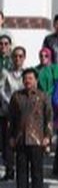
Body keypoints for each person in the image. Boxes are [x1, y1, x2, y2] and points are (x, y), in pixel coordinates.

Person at [8, 69, 52, 188]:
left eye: (31, 78)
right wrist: (11, 137)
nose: (28, 81)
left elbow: (49, 118)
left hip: (37, 140)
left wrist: (47, 136)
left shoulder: (43, 96)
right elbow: (11, 119)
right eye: (26, 78)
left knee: (37, 172)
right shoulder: (16, 97)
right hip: (20, 139)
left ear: (36, 80)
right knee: (21, 171)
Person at [0, 47, 24, 180]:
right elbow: (2, 90)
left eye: (20, 56)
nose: (17, 59)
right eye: (15, 56)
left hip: (23, 113)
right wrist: (10, 102)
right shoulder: (6, 73)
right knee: (8, 142)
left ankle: (21, 171)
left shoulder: (27, 73)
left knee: (21, 142)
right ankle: (9, 170)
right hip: (8, 111)